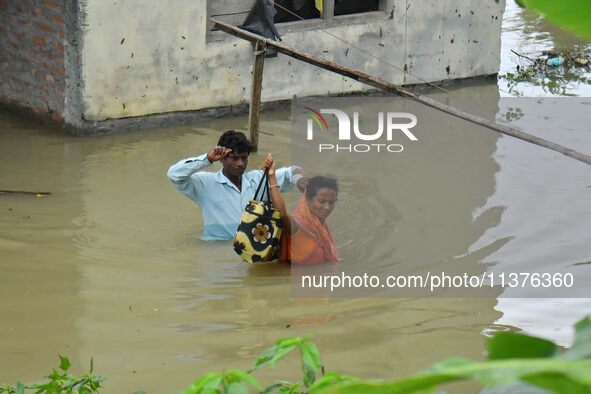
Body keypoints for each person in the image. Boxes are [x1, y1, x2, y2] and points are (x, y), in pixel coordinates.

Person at [167, 130, 307, 241]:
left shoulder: (259, 179)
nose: (240, 163)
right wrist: (207, 159)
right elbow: (174, 174)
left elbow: (291, 171)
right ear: (221, 159)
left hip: (256, 249)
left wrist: (298, 178)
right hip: (219, 252)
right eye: (234, 158)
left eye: (244, 158)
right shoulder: (205, 184)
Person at [262, 153, 339, 264]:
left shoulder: (320, 226)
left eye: (331, 202)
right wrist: (272, 177)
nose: (327, 207)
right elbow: (281, 214)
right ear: (308, 199)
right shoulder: (297, 226)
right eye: (322, 201)